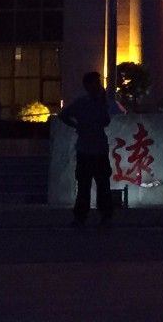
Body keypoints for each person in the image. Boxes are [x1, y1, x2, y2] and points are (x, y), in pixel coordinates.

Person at [59, 71, 114, 227]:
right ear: (87, 85)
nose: (97, 85)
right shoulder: (81, 103)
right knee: (86, 185)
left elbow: (105, 121)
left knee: (100, 184)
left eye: (98, 82)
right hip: (87, 149)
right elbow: (63, 115)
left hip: (97, 148)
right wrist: (77, 126)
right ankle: (83, 216)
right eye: (94, 82)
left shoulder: (100, 102)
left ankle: (101, 215)